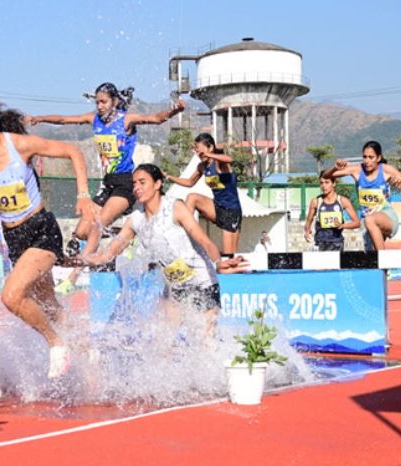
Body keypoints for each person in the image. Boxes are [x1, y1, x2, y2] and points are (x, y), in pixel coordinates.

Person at [0, 87, 98, 383]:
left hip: (41, 230)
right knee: (49, 305)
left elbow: (72, 152)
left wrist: (83, 195)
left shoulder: (20, 145)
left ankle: (56, 344)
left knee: (11, 296)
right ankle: (89, 353)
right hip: (14, 238)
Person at [27, 83, 185, 294]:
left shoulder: (125, 120)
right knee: (82, 232)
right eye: (97, 102)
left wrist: (175, 110)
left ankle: (72, 279)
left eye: (104, 102)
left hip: (125, 184)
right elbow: (64, 119)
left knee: (98, 225)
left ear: (115, 101)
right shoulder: (94, 120)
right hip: (107, 183)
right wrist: (39, 118)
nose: (100, 106)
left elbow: (156, 119)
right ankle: (127, 234)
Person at [82, 164, 247, 338]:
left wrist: (219, 262)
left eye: (142, 182)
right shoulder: (135, 220)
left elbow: (203, 239)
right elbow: (108, 254)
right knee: (164, 342)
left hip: (202, 281)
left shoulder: (175, 207)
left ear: (157, 184)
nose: (137, 187)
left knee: (206, 340)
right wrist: (84, 258)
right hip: (175, 287)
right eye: (134, 183)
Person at [323, 140, 401, 251]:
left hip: (386, 216)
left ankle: (382, 258)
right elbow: (326, 176)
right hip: (368, 222)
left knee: (370, 220)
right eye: (365, 157)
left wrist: (398, 185)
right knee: (371, 253)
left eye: (371, 157)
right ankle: (381, 261)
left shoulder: (386, 170)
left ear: (378, 158)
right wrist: (335, 167)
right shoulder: (357, 170)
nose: (367, 161)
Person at [164, 133, 242, 257]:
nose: (198, 153)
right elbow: (189, 182)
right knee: (192, 197)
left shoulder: (219, 163)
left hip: (231, 211)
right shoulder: (202, 166)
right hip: (217, 207)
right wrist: (169, 177)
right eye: (196, 150)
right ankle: (184, 229)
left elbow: (230, 159)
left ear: (210, 147)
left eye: (199, 150)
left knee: (229, 255)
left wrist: (209, 155)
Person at [304, 171, 360, 251]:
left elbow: (357, 223)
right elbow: (308, 222)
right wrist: (307, 230)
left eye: (327, 182)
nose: (323, 186)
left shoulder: (343, 201)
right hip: (320, 243)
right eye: (321, 183)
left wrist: (342, 225)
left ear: (334, 183)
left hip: (337, 243)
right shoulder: (316, 202)